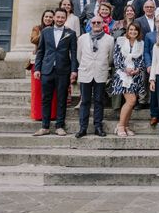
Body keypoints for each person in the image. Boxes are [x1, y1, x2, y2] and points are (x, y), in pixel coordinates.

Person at [32, 8, 78, 136]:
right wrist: (37, 69)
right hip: (47, 70)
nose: (59, 19)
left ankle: (59, 126)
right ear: (54, 18)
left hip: (63, 70)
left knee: (61, 99)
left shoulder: (71, 33)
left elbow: (73, 54)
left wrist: (74, 70)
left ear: (65, 18)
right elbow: (40, 51)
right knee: (45, 98)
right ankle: (45, 127)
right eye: (57, 17)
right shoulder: (46, 32)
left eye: (62, 17)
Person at [75, 16, 114, 138]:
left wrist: (102, 65)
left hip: (100, 72)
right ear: (90, 24)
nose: (96, 24)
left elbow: (110, 57)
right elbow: (78, 56)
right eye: (94, 22)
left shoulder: (110, 39)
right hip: (86, 72)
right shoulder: (82, 38)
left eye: (99, 22)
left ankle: (98, 126)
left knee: (99, 101)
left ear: (103, 24)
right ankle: (83, 128)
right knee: (85, 101)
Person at [112, 22, 146, 136]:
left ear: (138, 31)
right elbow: (116, 58)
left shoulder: (141, 43)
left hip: (135, 76)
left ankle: (126, 126)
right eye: (131, 29)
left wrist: (137, 69)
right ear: (128, 30)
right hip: (122, 75)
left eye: (135, 30)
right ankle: (120, 126)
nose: (133, 32)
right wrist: (125, 69)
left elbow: (142, 60)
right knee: (131, 100)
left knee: (131, 102)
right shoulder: (120, 41)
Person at [30, 10, 57, 121]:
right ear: (43, 17)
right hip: (38, 62)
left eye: (51, 17)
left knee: (53, 92)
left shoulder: (57, 30)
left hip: (52, 63)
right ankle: (38, 114)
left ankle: (51, 115)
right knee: (38, 91)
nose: (48, 19)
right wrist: (44, 32)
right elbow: (33, 39)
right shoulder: (37, 28)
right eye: (46, 16)